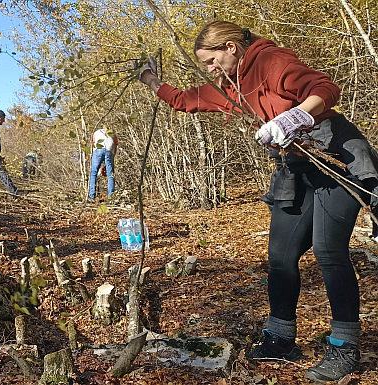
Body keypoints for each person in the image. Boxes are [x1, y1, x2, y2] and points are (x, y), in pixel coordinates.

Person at [138, 20, 378, 382]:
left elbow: (325, 87)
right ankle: (280, 338)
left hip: (333, 156)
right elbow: (183, 99)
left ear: (231, 47)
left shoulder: (271, 61)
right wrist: (150, 79)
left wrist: (296, 115)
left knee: (328, 250)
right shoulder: (231, 87)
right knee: (281, 257)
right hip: (294, 166)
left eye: (211, 60)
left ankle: (345, 346)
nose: (210, 68)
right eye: (205, 65)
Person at [88, 127, 117, 199]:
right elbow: (115, 147)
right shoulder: (113, 134)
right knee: (110, 175)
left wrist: (92, 156)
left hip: (98, 150)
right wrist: (111, 158)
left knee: (93, 173)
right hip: (109, 150)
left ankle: (92, 196)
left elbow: (93, 145)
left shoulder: (96, 132)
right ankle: (111, 196)